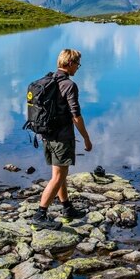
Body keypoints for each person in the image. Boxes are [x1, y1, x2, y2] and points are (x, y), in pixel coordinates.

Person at [33, 49, 93, 230]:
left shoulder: (48, 80)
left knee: (59, 175)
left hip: (47, 134)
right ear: (70, 63)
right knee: (59, 176)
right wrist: (86, 138)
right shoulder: (69, 85)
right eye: (77, 64)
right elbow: (76, 116)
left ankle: (67, 208)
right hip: (62, 137)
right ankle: (40, 214)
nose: (78, 68)